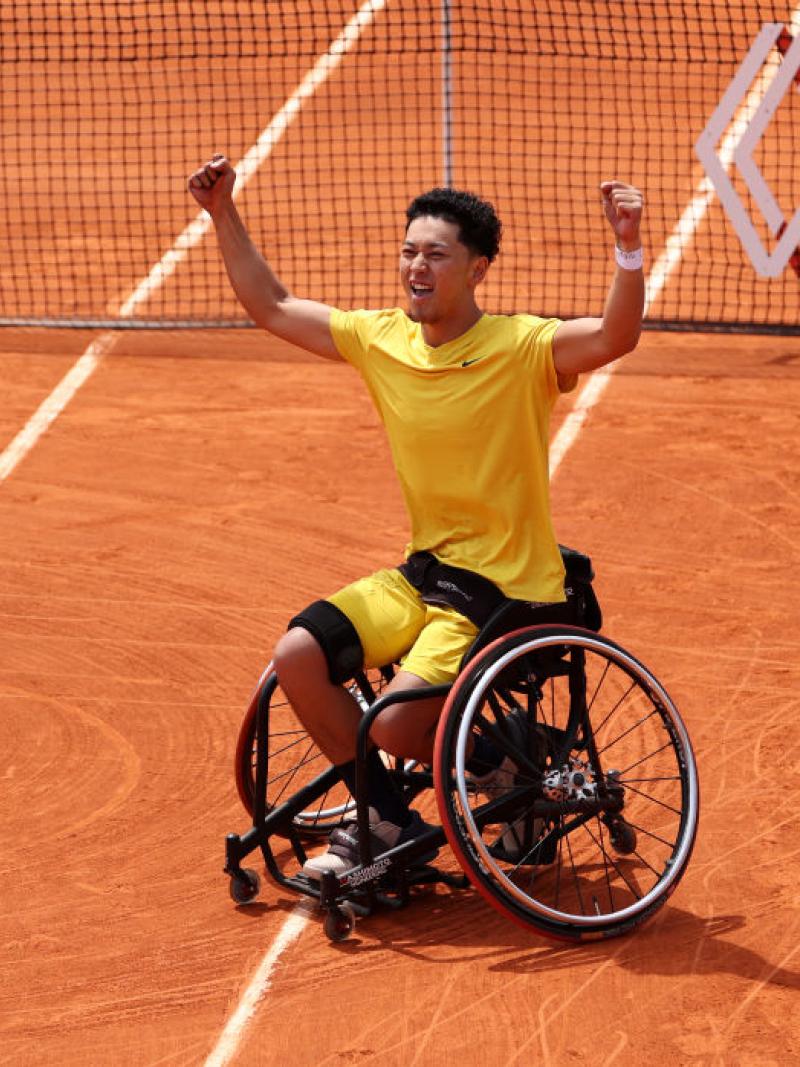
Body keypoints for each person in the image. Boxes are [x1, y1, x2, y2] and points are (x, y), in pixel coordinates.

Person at [188, 155, 645, 877]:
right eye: (408, 252)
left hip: (509, 585)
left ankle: (512, 752)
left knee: (400, 724)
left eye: (436, 254)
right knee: (297, 655)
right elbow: (272, 307)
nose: (416, 267)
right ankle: (384, 817)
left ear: (478, 269)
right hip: (427, 573)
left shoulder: (523, 348)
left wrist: (627, 248)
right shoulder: (381, 340)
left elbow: (615, 337)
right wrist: (223, 213)